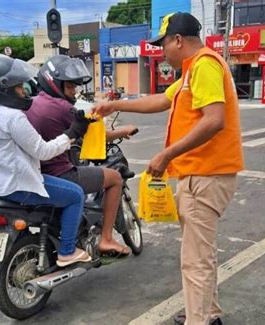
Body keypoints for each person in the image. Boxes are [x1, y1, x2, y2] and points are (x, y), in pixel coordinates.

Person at [93, 12, 244, 325]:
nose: (162, 51)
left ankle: (199, 320)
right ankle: (206, 313)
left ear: (178, 40)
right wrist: (115, 105)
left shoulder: (204, 65)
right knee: (201, 254)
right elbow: (162, 100)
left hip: (206, 175)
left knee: (195, 261)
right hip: (201, 174)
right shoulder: (191, 71)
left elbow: (215, 120)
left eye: (163, 44)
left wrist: (167, 155)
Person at [0, 56, 92, 267]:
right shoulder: (14, 117)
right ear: (5, 90)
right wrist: (71, 133)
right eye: (20, 88)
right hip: (16, 187)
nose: (24, 92)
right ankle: (67, 251)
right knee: (75, 194)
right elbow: (43, 151)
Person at [25, 55, 137, 258]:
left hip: (35, 172)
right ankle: (107, 239)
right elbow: (94, 136)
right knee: (115, 178)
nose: (74, 92)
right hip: (58, 173)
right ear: (55, 83)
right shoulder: (63, 108)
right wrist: (124, 130)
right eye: (70, 87)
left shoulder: (31, 104)